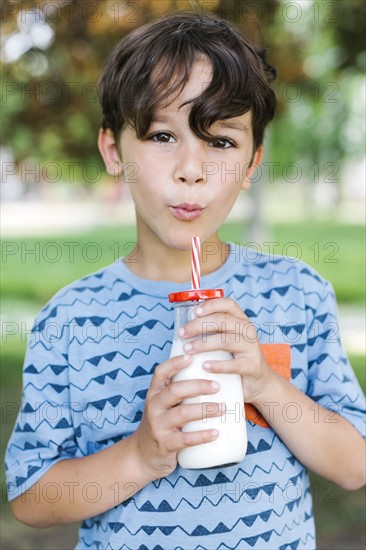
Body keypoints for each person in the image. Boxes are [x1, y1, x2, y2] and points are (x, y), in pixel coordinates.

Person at [5, 11, 365, 550]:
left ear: (251, 165)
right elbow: (30, 496)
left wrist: (266, 386)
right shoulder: (71, 319)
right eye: (162, 135)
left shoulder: (297, 294)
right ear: (113, 152)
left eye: (219, 142)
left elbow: (355, 464)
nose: (190, 168)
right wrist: (141, 454)